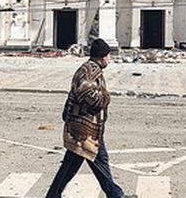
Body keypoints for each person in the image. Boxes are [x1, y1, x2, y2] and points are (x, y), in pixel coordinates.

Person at [45, 39, 135, 198]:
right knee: (95, 160)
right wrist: (105, 98)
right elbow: (85, 92)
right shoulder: (90, 71)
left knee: (79, 163)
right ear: (101, 57)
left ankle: (54, 194)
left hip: (85, 127)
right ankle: (115, 195)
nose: (109, 59)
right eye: (108, 56)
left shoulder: (90, 68)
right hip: (85, 128)